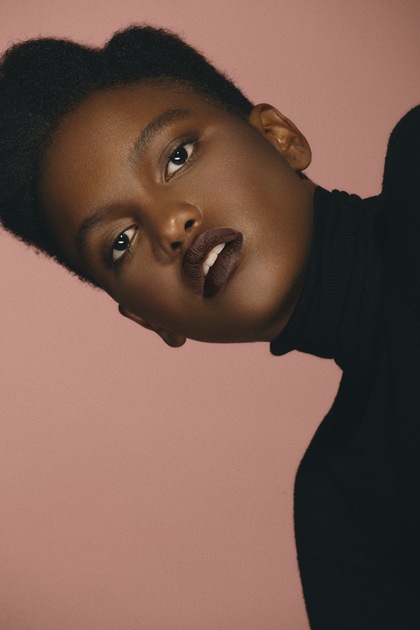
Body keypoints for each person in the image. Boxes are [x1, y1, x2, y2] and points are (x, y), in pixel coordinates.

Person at [0, 25, 419, 629]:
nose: (170, 226)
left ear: (280, 138)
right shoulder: (339, 507)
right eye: (121, 242)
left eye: (178, 157)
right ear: (147, 319)